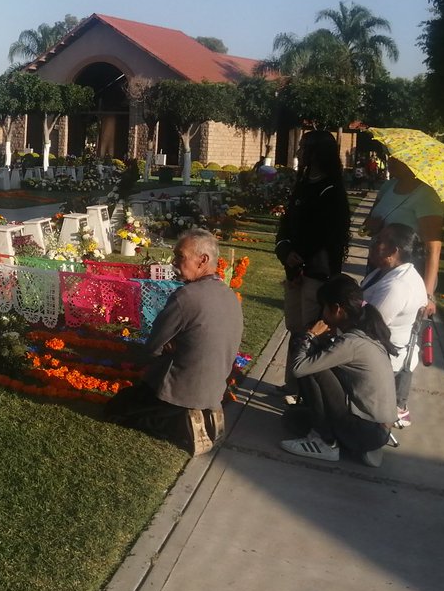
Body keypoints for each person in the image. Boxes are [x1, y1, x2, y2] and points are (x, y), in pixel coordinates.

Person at [104, 228, 243, 452]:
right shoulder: (229, 294)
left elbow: (152, 348)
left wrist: (168, 349)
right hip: (215, 389)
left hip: (180, 390)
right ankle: (207, 413)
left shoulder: (186, 296)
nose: (174, 263)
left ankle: (181, 423)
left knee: (120, 407)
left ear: (203, 260)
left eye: (180, 256)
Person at [281, 274, 399, 468]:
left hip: (367, 432)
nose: (321, 314)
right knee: (292, 419)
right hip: (378, 430)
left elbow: (298, 369)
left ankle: (325, 442)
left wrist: (308, 336)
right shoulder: (365, 333)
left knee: (311, 369)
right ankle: (351, 443)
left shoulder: (350, 343)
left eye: (324, 308)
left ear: (336, 309)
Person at [274, 130, 350, 399]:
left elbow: (329, 239)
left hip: (316, 274)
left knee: (311, 331)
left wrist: (301, 262)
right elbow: (287, 225)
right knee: (295, 328)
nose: (300, 151)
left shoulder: (332, 191)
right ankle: (292, 384)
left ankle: (308, 392)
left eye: (305, 147)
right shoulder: (303, 183)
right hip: (295, 270)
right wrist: (286, 253)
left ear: (320, 152)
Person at [361, 223, 429, 429]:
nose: (373, 243)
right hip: (375, 349)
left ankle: (325, 433)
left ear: (393, 251)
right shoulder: (384, 272)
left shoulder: (398, 286)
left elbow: (369, 327)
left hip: (381, 359)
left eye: (379, 241)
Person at [364, 156, 444, 317]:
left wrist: (427, 295)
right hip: (378, 264)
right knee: (369, 316)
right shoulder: (388, 186)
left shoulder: (427, 195)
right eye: (391, 156)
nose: (390, 161)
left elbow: (433, 247)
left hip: (406, 271)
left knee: (391, 326)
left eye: (398, 159)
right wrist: (371, 226)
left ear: (413, 163)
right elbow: (368, 224)